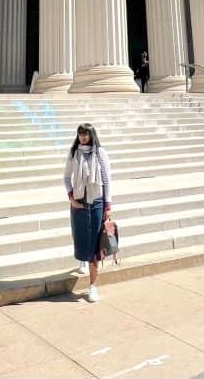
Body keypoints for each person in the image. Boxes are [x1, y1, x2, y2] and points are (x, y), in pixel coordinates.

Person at [64, 122, 112, 302]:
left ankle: (92, 286)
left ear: (92, 135)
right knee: (80, 238)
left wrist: (108, 206)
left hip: (97, 203)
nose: (83, 137)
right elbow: (66, 178)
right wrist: (71, 198)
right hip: (78, 203)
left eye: (86, 134)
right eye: (80, 134)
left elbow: (107, 180)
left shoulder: (100, 153)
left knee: (94, 247)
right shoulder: (73, 153)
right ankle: (81, 260)